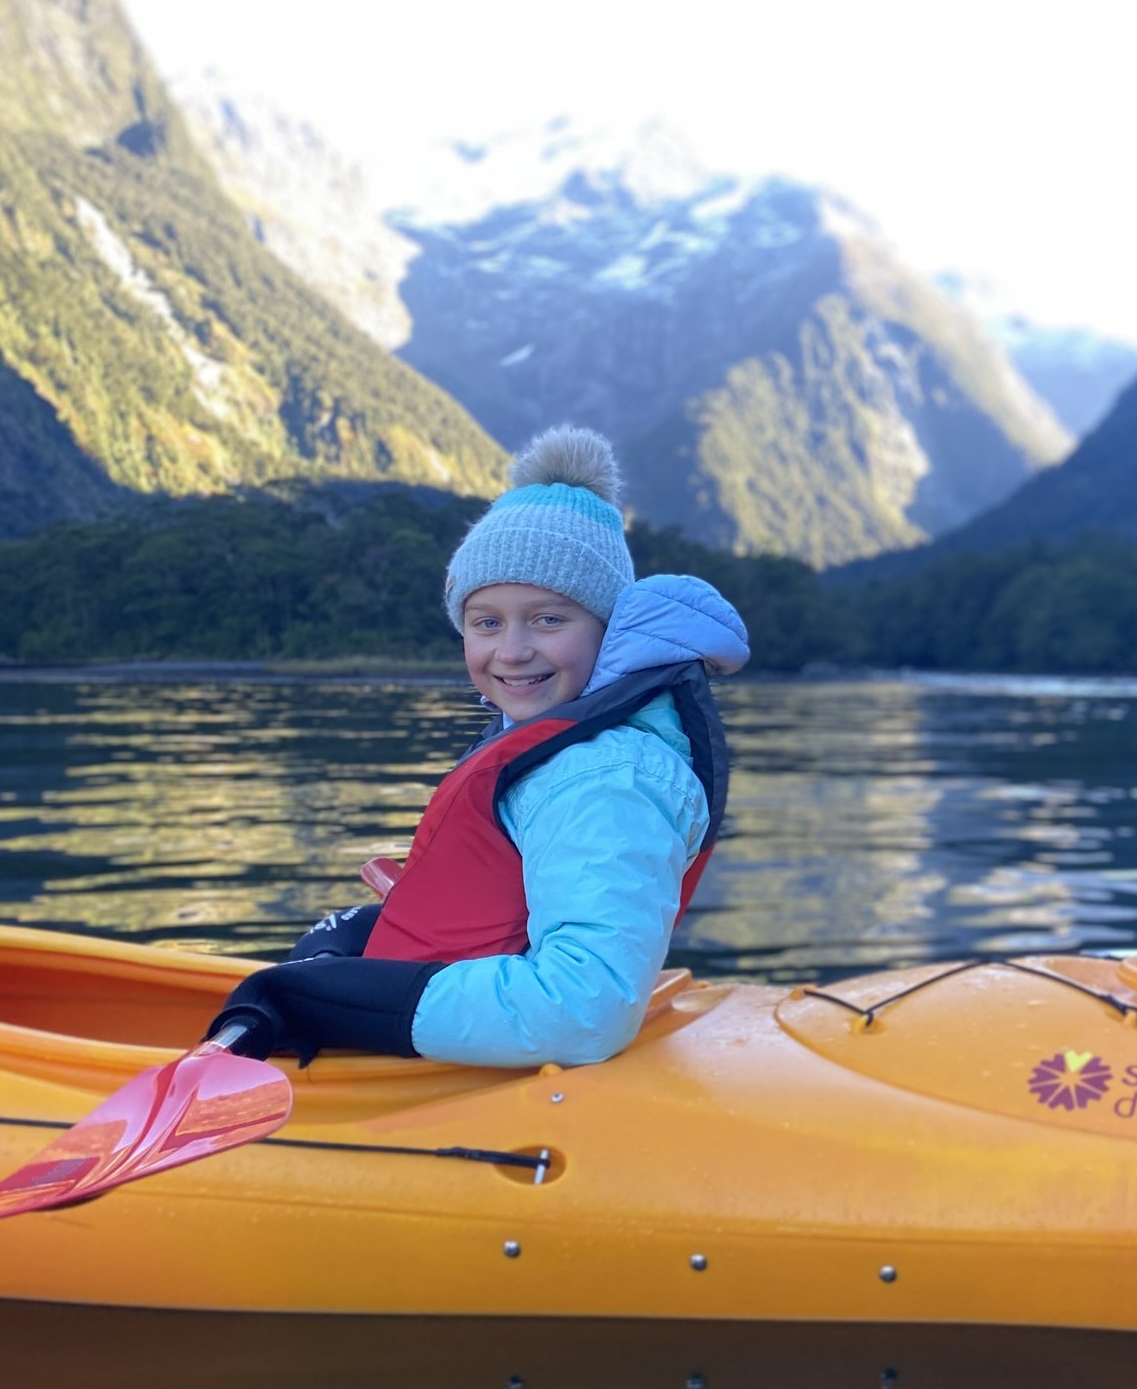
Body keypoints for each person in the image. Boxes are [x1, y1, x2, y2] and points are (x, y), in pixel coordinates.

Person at [207, 426, 750, 1068]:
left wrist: (338, 1001)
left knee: (291, 987)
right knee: (330, 946)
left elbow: (587, 1008)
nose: (512, 651)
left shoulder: (606, 777)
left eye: (549, 619)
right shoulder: (558, 747)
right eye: (486, 622)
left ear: (608, 631)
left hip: (511, 1077)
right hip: (475, 1046)